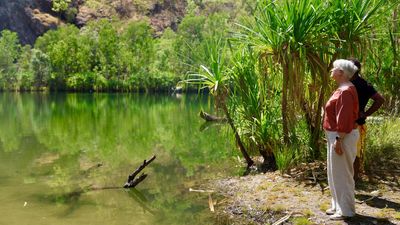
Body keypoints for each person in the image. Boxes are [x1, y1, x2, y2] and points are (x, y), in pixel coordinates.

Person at [323, 59, 360, 220]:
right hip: (337, 135)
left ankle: (346, 211)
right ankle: (337, 206)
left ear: (341, 73)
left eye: (334, 68)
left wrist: (338, 139)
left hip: (342, 136)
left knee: (342, 174)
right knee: (334, 173)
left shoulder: (345, 91)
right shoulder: (342, 88)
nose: (332, 70)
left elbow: (344, 119)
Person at [348, 58, 385, 181]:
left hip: (356, 124)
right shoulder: (357, 83)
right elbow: (379, 99)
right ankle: (351, 179)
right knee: (353, 153)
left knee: (355, 153)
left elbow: (380, 99)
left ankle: (353, 179)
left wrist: (366, 113)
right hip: (348, 123)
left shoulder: (362, 85)